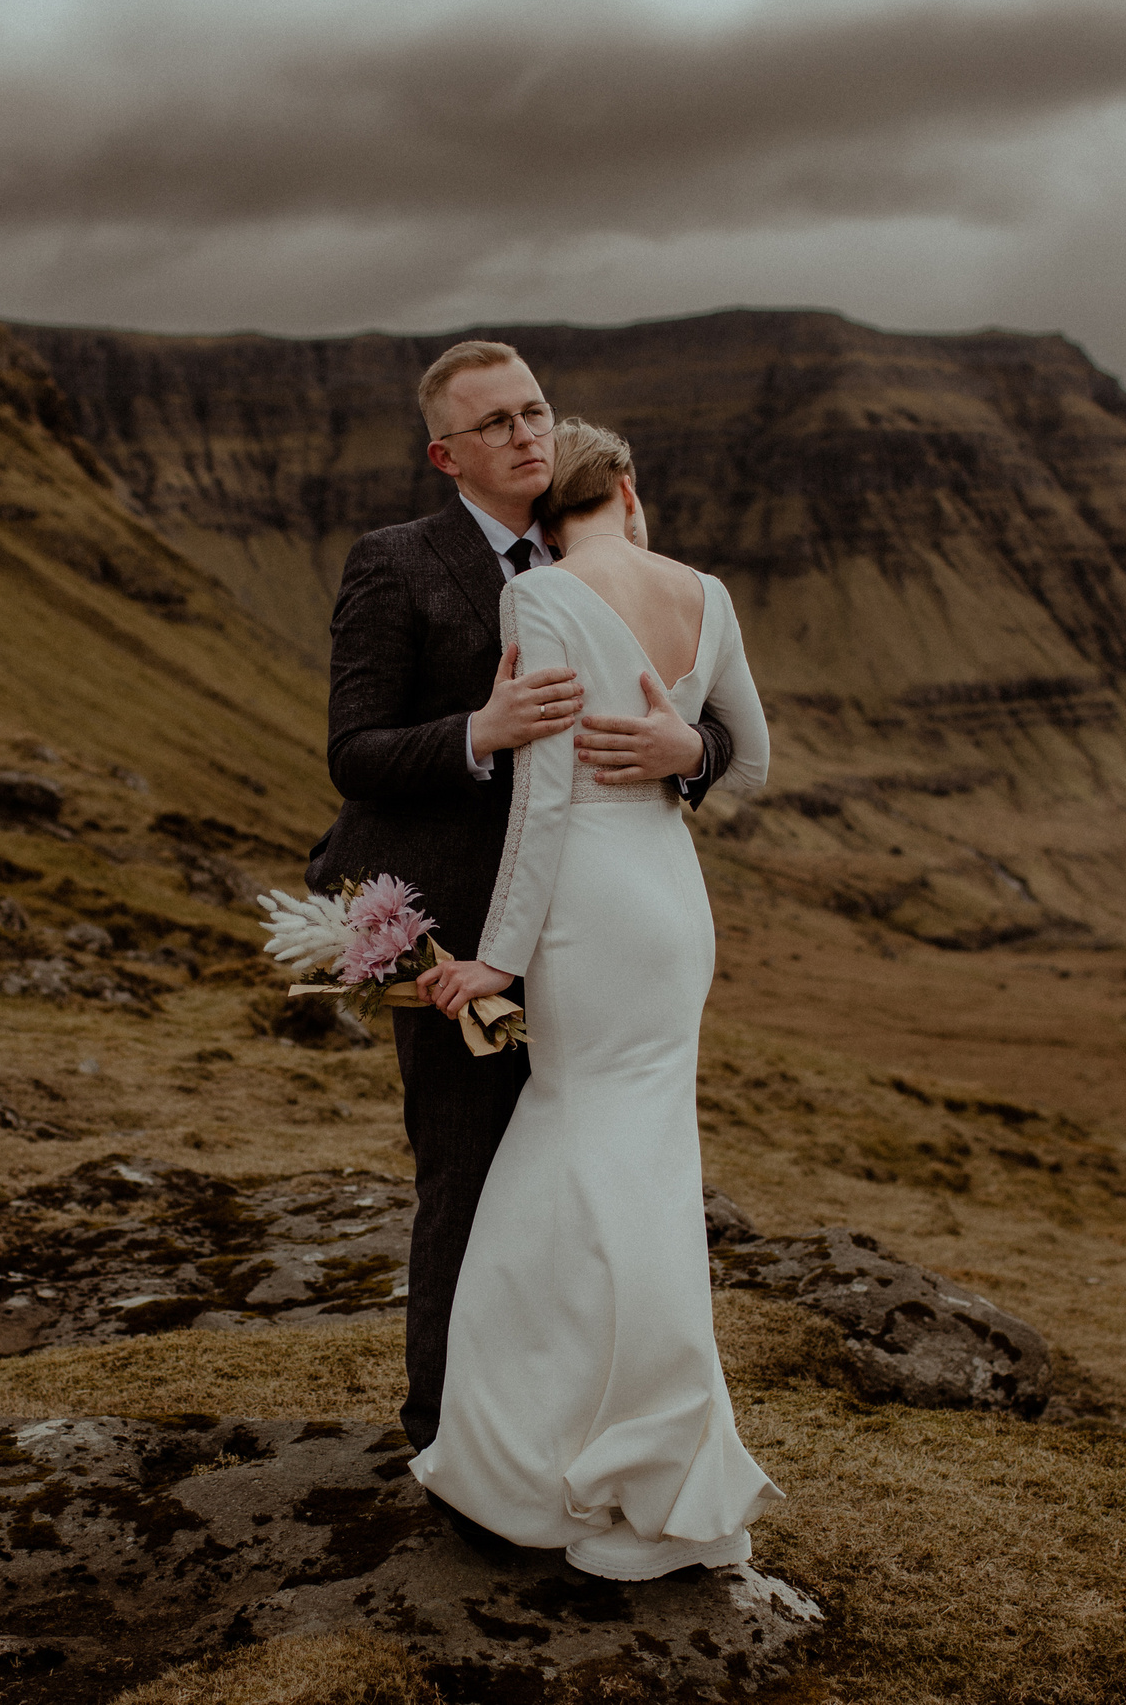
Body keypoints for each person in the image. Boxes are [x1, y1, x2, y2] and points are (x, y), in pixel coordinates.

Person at [306, 343, 744, 1467]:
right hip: (454, 926)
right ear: (446, 454)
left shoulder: (615, 565)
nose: (524, 435)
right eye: (494, 423)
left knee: (572, 1181)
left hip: (596, 925)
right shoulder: (395, 562)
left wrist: (685, 746)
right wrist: (477, 734)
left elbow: (728, 736)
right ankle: (447, 1435)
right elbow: (351, 751)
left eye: (535, 411)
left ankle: (566, 1421)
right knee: (467, 1175)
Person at [410, 418, 780, 1581]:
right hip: (670, 904)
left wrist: (499, 962)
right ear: (628, 488)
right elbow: (748, 761)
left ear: (541, 512)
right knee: (646, 1157)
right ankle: (656, 1441)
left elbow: (543, 805)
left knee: (568, 1144)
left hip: (586, 908)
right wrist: (685, 749)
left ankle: (549, 1445)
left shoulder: (544, 598)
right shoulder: (705, 593)